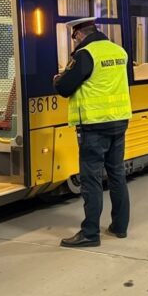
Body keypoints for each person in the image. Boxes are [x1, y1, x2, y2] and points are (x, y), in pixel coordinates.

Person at [53, 17, 132, 248]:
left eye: (74, 38)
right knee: (117, 174)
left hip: (94, 125)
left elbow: (65, 87)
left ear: (79, 34)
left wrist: (57, 79)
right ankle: (120, 226)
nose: (75, 41)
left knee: (91, 179)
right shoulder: (119, 51)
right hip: (119, 121)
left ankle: (90, 233)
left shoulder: (85, 54)